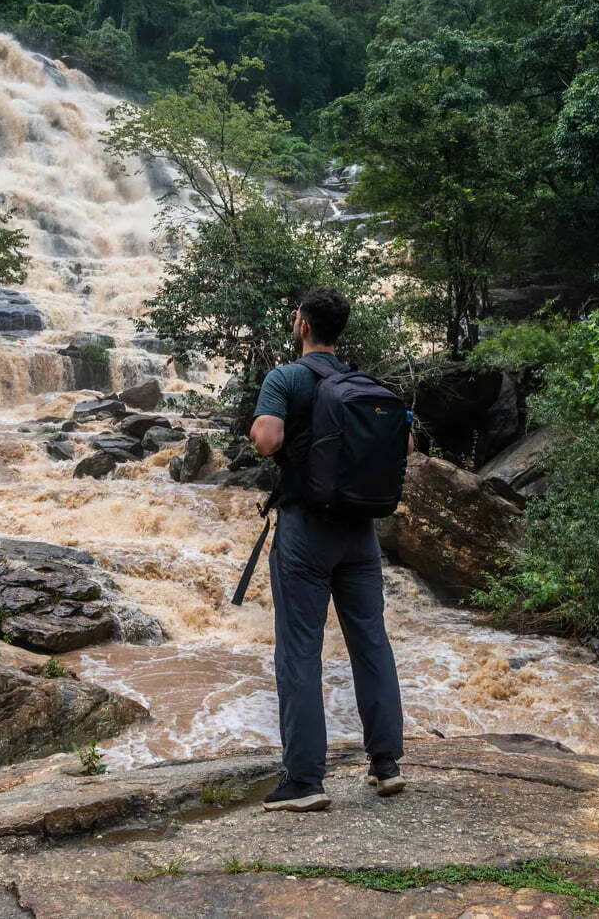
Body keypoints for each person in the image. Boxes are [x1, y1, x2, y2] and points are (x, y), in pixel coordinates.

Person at [249, 287, 406, 812]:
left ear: (301, 325)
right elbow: (405, 446)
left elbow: (268, 439)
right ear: (341, 330)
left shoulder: (286, 377)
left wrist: (267, 427)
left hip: (306, 530)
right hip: (361, 531)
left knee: (299, 650)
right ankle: (385, 766)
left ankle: (304, 782)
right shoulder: (366, 385)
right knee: (371, 643)